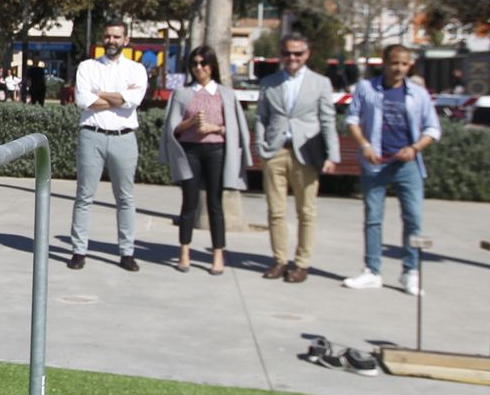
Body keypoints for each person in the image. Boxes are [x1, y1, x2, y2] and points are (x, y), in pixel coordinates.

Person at [342, 44, 441, 295]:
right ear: (384, 63)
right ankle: (372, 271)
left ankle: (411, 271)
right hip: (375, 163)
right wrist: (364, 146)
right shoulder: (367, 89)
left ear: (410, 65)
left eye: (404, 64)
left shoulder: (418, 94)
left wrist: (415, 148)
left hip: (407, 163)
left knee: (413, 218)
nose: (398, 68)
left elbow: (432, 128)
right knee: (373, 218)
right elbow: (352, 119)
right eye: (394, 63)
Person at [253, 32, 339, 283]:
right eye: (287, 53)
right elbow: (261, 117)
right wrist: (260, 146)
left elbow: (327, 120)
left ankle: (301, 263)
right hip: (275, 151)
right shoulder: (269, 82)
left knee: (306, 211)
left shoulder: (320, 83)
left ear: (307, 54)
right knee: (276, 211)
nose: (292, 58)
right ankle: (279, 260)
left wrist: (331, 154)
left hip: (307, 152)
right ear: (280, 55)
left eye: (297, 53)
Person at [158, 45, 250, 275]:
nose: (199, 68)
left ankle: (218, 254)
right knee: (189, 203)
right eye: (195, 64)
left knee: (215, 205)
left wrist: (216, 128)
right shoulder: (183, 93)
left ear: (212, 66)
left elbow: (235, 130)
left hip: (216, 151)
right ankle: (184, 252)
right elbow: (173, 128)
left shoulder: (225, 94)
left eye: (203, 63)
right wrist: (190, 124)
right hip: (190, 152)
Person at [67, 20, 148, 272]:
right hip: (92, 136)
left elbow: (133, 101)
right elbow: (83, 100)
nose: (111, 40)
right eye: (108, 36)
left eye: (117, 36)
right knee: (84, 196)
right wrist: (120, 97)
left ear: (126, 40)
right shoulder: (88, 67)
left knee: (125, 197)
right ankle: (79, 250)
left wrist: (101, 94)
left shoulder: (136, 69)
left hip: (124, 137)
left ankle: (127, 252)